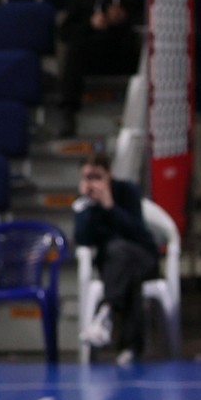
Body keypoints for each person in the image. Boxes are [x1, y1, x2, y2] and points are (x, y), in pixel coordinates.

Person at [74, 150, 159, 366]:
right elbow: (82, 239)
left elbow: (138, 234)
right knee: (127, 271)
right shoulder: (84, 204)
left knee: (121, 251)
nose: (92, 183)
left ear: (109, 175)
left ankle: (105, 313)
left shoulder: (127, 191)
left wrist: (110, 205)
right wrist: (87, 207)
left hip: (143, 257)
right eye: (87, 177)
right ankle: (129, 348)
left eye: (97, 177)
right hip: (115, 267)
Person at [54, 0, 140, 113]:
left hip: (125, 51)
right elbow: (65, 31)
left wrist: (122, 16)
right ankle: (69, 111)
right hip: (94, 53)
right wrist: (91, 24)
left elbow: (141, 14)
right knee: (77, 44)